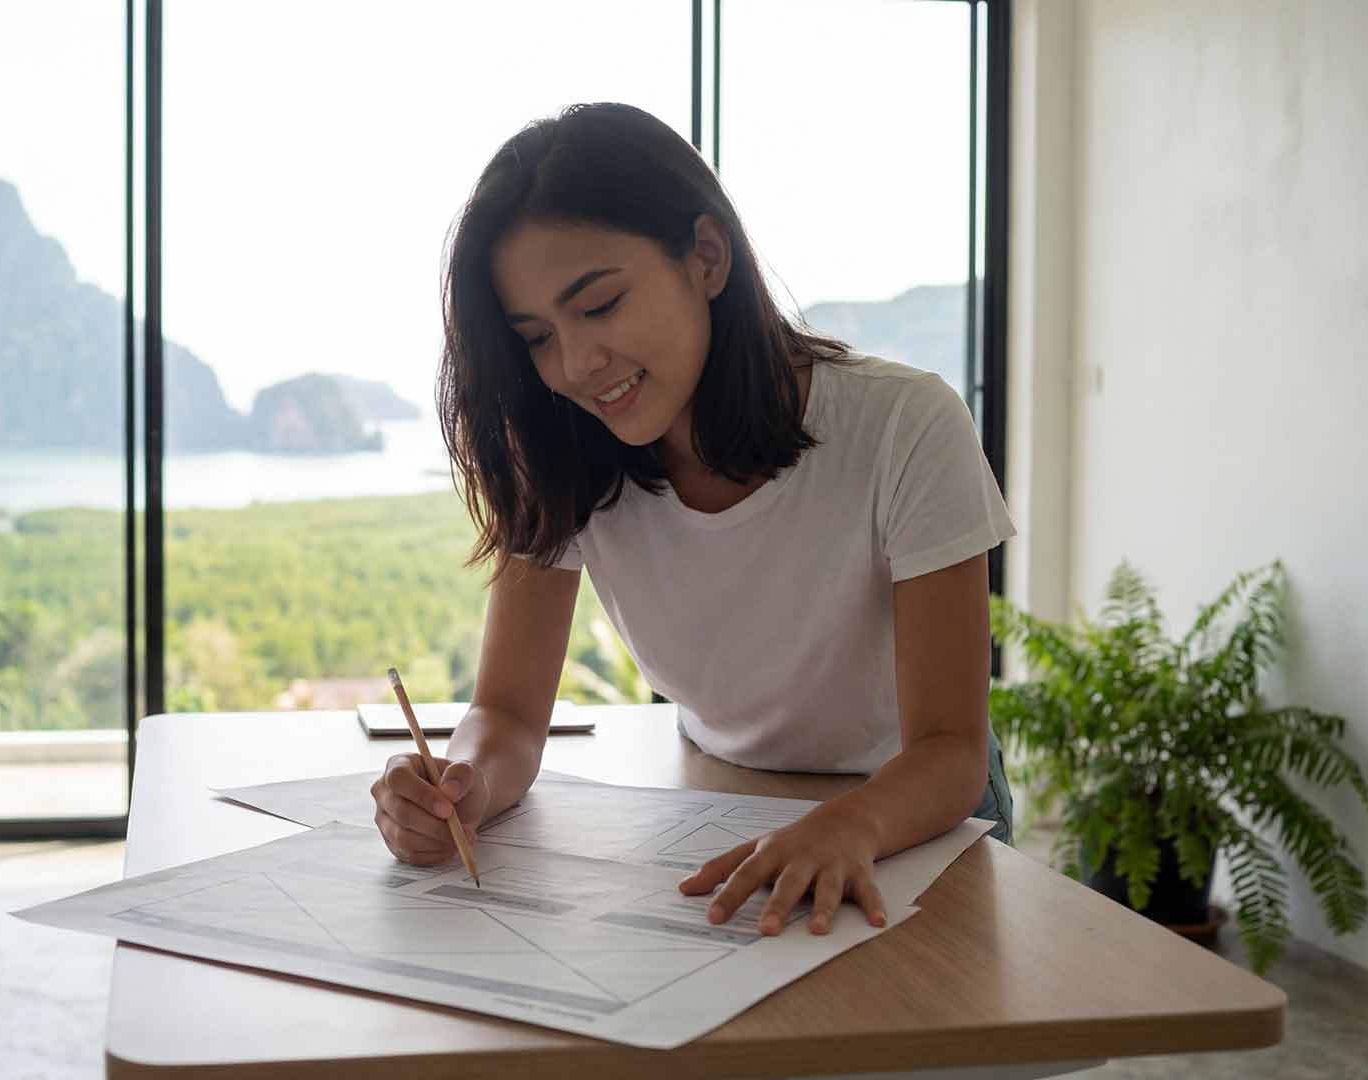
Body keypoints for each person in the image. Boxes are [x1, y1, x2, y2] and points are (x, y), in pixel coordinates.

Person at [369, 102, 1016, 939]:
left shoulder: (906, 424)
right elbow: (509, 715)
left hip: (910, 809)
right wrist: (464, 786)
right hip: (725, 797)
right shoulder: (560, 454)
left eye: (599, 305)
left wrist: (847, 824)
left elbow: (951, 748)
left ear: (706, 257)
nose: (575, 365)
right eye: (535, 337)